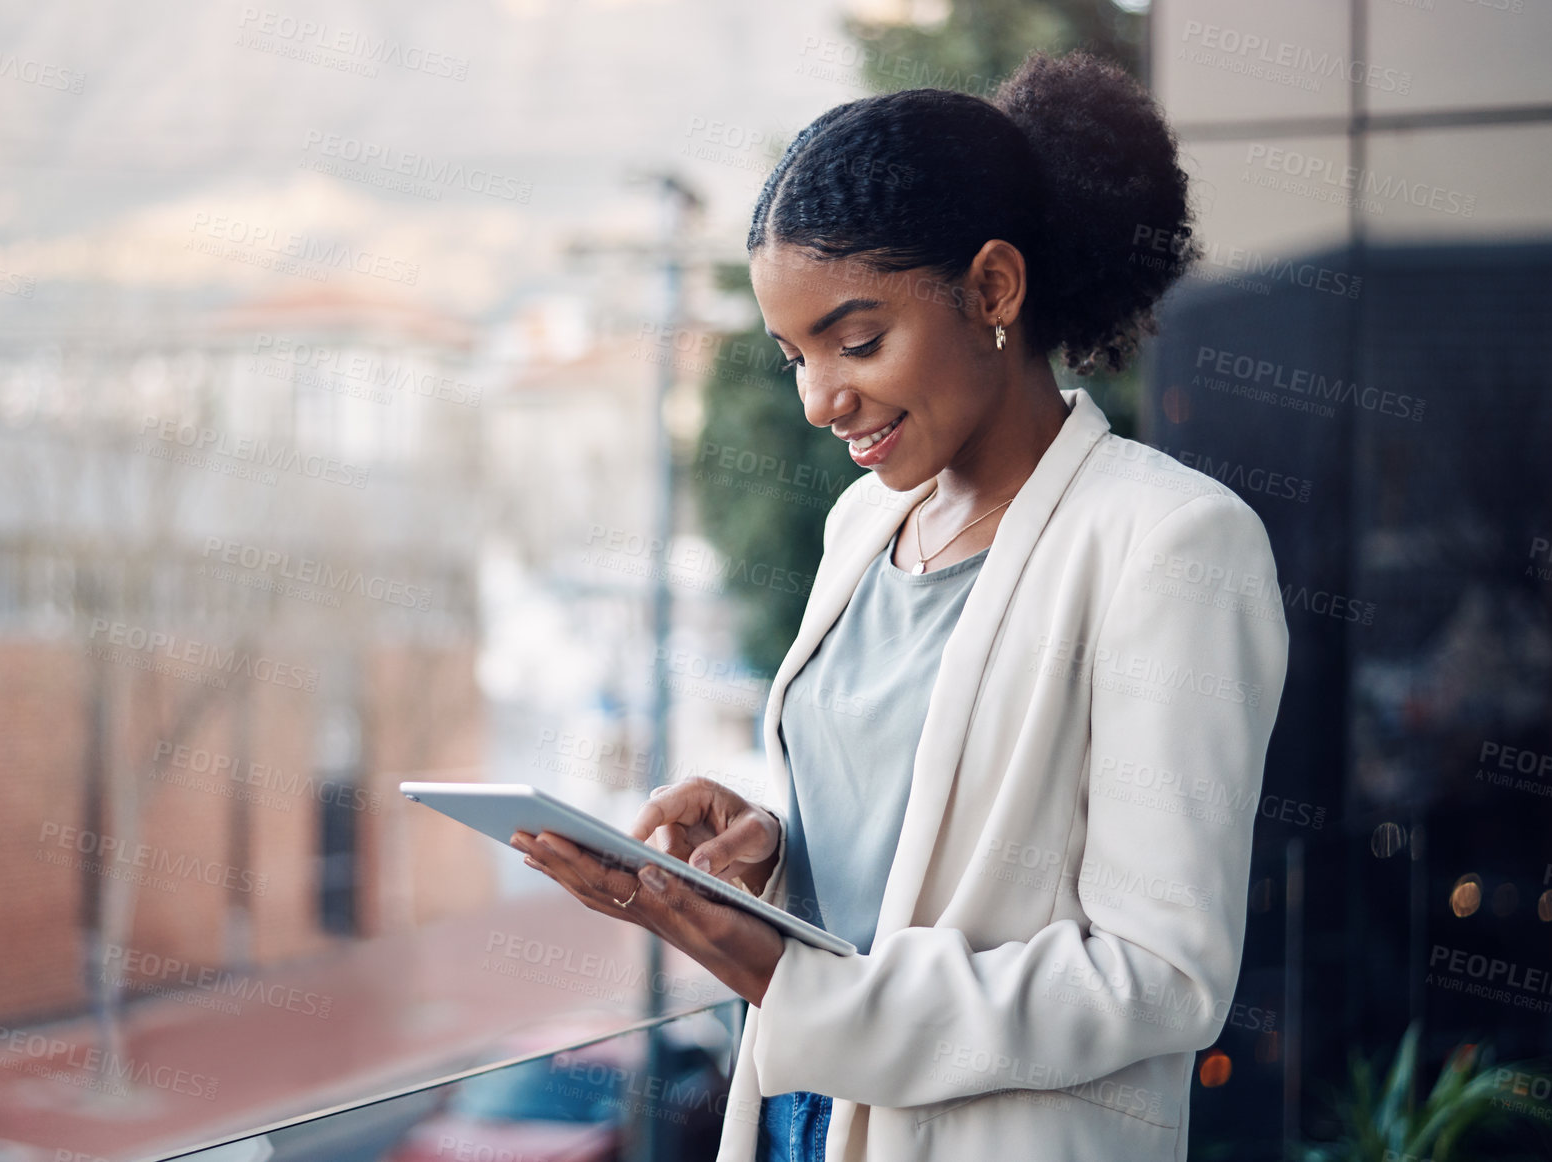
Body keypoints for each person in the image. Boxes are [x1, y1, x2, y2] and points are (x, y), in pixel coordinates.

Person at [511, 49, 1289, 1161]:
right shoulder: (859, 528)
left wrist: (780, 975)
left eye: (857, 339)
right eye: (793, 355)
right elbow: (910, 863)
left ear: (992, 290)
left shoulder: (1171, 545)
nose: (822, 398)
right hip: (800, 1120)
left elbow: (1158, 977)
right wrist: (769, 858)